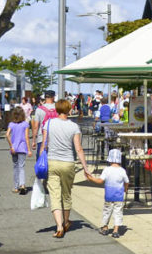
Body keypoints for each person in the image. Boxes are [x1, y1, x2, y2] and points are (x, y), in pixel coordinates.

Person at [37, 98, 98, 238]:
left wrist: (40, 163)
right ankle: (65, 222)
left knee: (55, 195)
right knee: (66, 194)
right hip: (68, 163)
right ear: (69, 110)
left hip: (52, 162)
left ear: (57, 109)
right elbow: (79, 149)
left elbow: (43, 145)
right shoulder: (73, 127)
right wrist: (85, 167)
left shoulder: (49, 123)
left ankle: (59, 227)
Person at [98, 150, 129, 236]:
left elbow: (100, 180)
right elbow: (127, 181)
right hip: (119, 196)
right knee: (118, 212)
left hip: (109, 195)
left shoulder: (107, 170)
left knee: (107, 211)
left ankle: (105, 228)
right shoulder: (122, 170)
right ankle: (115, 230)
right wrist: (125, 189)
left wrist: (90, 178)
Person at [7, 107, 31, 194]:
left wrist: (11, 146)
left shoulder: (11, 124)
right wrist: (29, 150)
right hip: (22, 148)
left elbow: (7, 134)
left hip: (14, 148)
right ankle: (22, 184)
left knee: (15, 167)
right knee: (21, 167)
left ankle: (16, 187)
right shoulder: (25, 124)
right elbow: (26, 137)